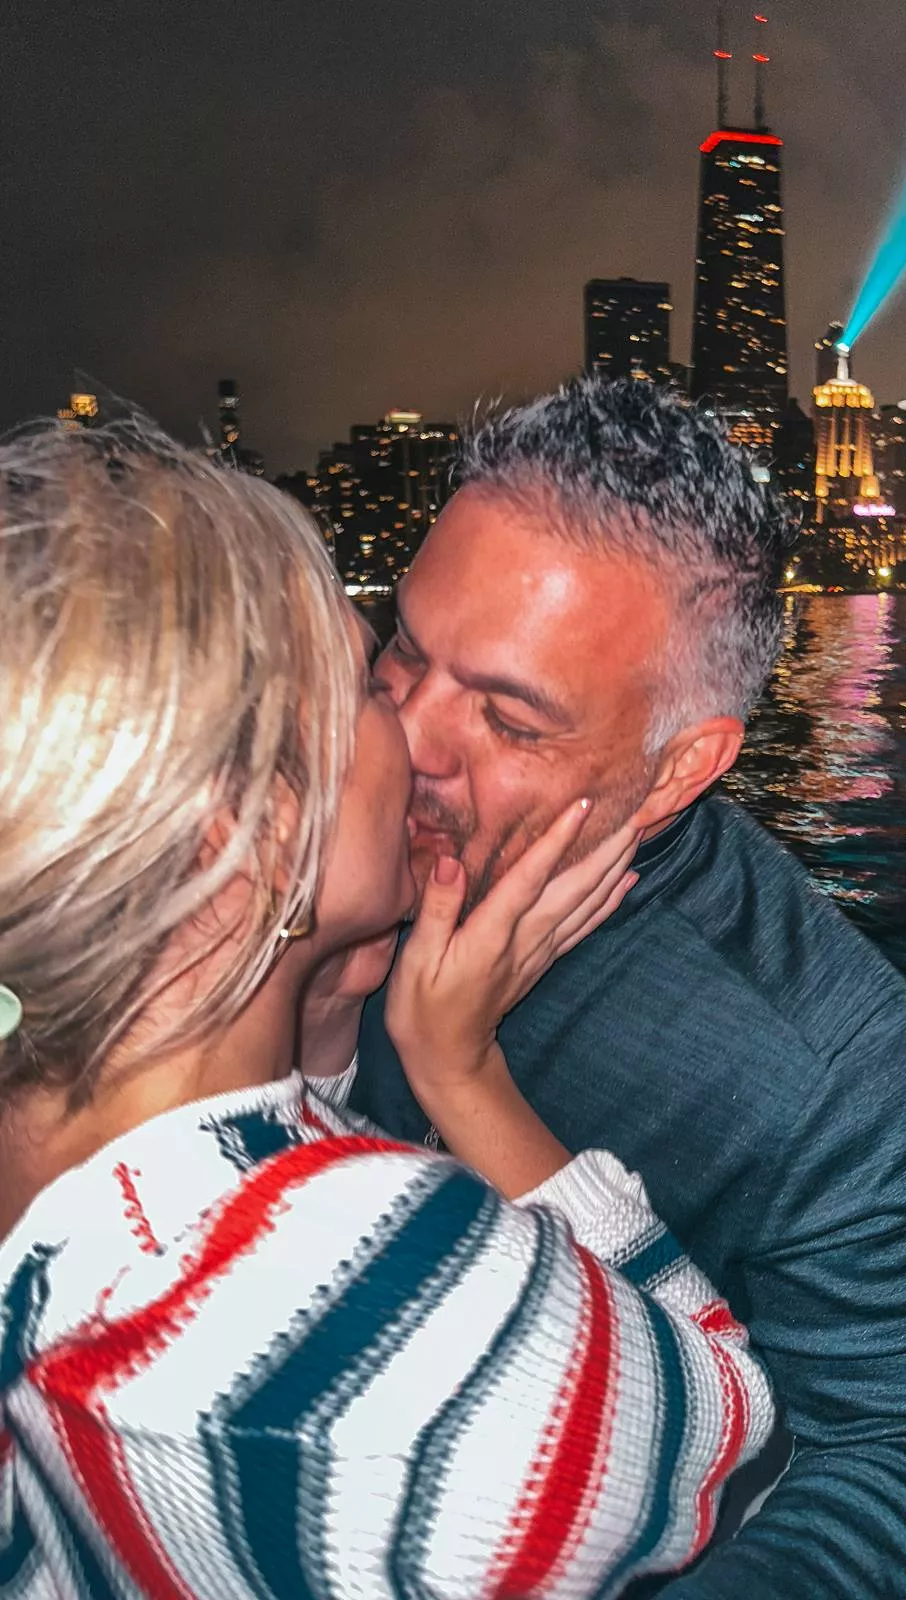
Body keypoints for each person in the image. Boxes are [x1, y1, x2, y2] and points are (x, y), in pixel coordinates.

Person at [0, 419, 776, 1600]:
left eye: (507, 718)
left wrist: (305, 1002)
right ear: (253, 835)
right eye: (376, 677)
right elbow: (737, 1441)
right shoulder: (421, 1341)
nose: (412, 739)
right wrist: (463, 1077)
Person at [328, 378, 906, 1598]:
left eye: (508, 718)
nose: (404, 740)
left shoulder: (818, 1055)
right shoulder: (313, 795)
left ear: (677, 767)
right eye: (403, 648)